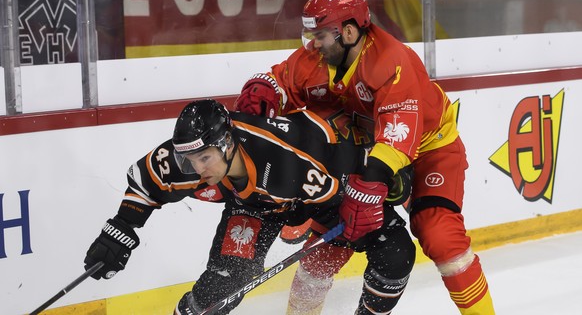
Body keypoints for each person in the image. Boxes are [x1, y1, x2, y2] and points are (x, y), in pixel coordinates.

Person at [233, 0, 496, 314]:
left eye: (319, 35)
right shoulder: (318, 58)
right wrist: (261, 93)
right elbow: (279, 79)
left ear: (349, 31)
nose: (311, 44)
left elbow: (399, 136)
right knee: (323, 253)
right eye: (309, 35)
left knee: (441, 237)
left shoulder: (390, 60)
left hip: (428, 149)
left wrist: (370, 188)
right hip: (359, 155)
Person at [83, 99, 416, 315]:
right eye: (188, 160)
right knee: (222, 286)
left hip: (322, 182)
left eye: (203, 159)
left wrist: (382, 184)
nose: (197, 169)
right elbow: (145, 182)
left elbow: (334, 198)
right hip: (257, 205)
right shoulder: (189, 158)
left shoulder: (287, 165)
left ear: (227, 144)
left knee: (396, 252)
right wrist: (121, 229)